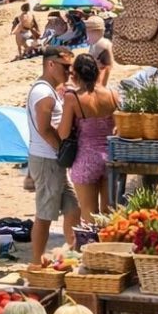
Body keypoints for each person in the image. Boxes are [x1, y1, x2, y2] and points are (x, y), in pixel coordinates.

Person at [27, 48, 79, 263]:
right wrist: (62, 151)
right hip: (47, 159)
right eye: (64, 67)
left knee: (74, 207)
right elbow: (44, 128)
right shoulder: (43, 93)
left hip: (50, 159)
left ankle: (72, 251)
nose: (69, 71)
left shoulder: (49, 90)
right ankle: (36, 261)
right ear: (50, 65)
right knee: (45, 215)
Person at [59, 53, 118, 219]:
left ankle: (92, 244)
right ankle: (110, 244)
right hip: (110, 158)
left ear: (75, 74)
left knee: (89, 213)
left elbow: (63, 133)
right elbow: (119, 126)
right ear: (97, 72)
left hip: (85, 159)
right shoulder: (113, 94)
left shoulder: (72, 98)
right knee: (110, 213)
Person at [86, 16, 113, 86]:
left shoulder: (101, 44)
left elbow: (107, 67)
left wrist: (101, 85)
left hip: (101, 80)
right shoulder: (96, 43)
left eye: (87, 30)